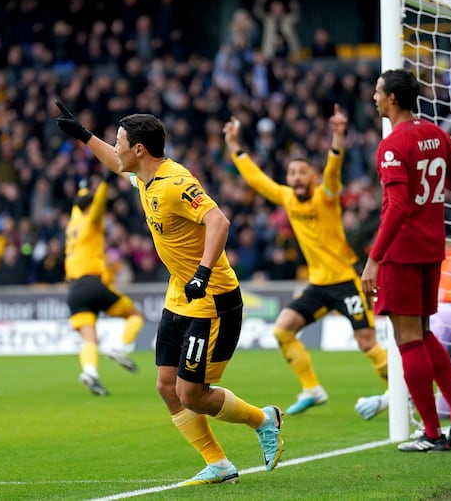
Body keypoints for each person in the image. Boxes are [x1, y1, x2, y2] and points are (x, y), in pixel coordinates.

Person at [55, 101, 284, 486]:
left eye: (120, 141)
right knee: (166, 387)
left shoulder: (176, 183)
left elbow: (218, 221)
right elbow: (114, 161)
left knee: (192, 394)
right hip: (179, 294)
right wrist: (84, 135)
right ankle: (219, 464)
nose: (117, 147)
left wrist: (202, 272)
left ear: (139, 150)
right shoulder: (143, 177)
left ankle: (264, 420)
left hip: (212, 299)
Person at [224, 104, 389, 416]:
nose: (296, 178)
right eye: (292, 173)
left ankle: (401, 391)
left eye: (302, 173)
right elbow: (258, 180)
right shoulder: (287, 197)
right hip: (318, 285)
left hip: (344, 281)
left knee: (367, 342)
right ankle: (312, 388)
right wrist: (234, 146)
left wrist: (337, 137)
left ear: (312, 177)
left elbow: (333, 171)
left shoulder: (326, 196)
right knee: (282, 330)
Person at [359, 68, 451, 452]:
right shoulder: (437, 134)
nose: (374, 97)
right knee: (423, 334)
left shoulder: (393, 145)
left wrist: (374, 259)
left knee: (408, 340)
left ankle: (431, 432)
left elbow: (397, 205)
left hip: (402, 253)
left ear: (392, 98)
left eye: (378, 92)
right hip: (432, 249)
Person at [64, 178, 146, 396]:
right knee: (135, 315)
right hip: (93, 283)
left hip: (74, 290)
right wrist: (104, 183)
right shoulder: (92, 221)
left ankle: (90, 372)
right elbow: (98, 204)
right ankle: (120, 347)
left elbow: (79, 203)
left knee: (89, 338)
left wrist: (82, 186)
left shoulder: (73, 223)